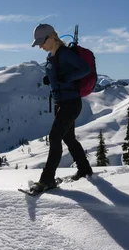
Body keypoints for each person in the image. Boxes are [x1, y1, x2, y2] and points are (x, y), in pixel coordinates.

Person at [30, 23, 94, 192]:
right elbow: (56, 74)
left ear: (51, 37)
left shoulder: (64, 54)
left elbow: (85, 69)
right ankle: (85, 169)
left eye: (42, 42)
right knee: (68, 139)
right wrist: (49, 79)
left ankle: (47, 179)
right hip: (61, 103)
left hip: (71, 103)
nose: (41, 47)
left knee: (54, 137)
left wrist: (66, 78)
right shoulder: (52, 56)